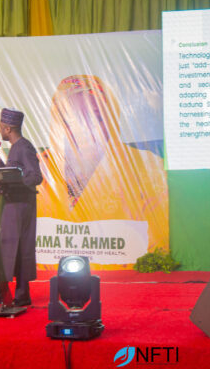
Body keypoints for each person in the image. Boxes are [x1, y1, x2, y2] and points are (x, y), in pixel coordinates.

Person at [37, 75, 169, 269]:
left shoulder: (147, 167)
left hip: (124, 282)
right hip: (48, 282)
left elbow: (160, 245)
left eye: (95, 118)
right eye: (71, 119)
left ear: (111, 120)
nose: (84, 129)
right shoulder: (37, 169)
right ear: (57, 123)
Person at [0, 108, 43, 307]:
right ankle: (22, 295)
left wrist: (17, 183)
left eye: (1, 128)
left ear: (8, 129)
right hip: (16, 204)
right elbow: (14, 174)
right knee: (18, 249)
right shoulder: (16, 147)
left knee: (6, 248)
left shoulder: (23, 147)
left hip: (19, 205)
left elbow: (35, 176)